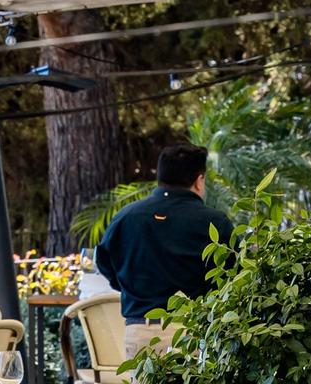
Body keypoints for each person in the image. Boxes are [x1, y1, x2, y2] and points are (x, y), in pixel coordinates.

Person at [95, 143, 233, 357]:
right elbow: (233, 275)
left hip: (140, 331)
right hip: (193, 333)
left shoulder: (127, 217)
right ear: (199, 180)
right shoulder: (214, 222)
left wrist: (132, 288)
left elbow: (103, 260)